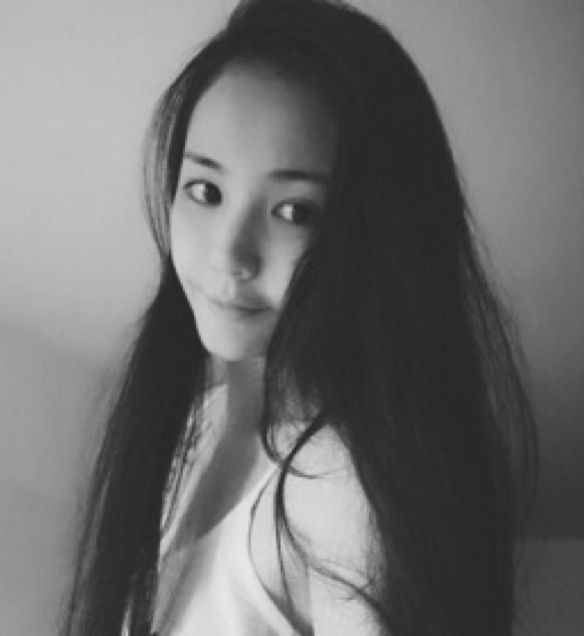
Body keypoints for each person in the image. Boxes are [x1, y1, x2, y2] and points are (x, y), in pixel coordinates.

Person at [62, 0, 537, 634]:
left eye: (294, 211)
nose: (229, 256)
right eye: (205, 190)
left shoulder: (340, 485)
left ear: (381, 236)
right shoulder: (196, 425)